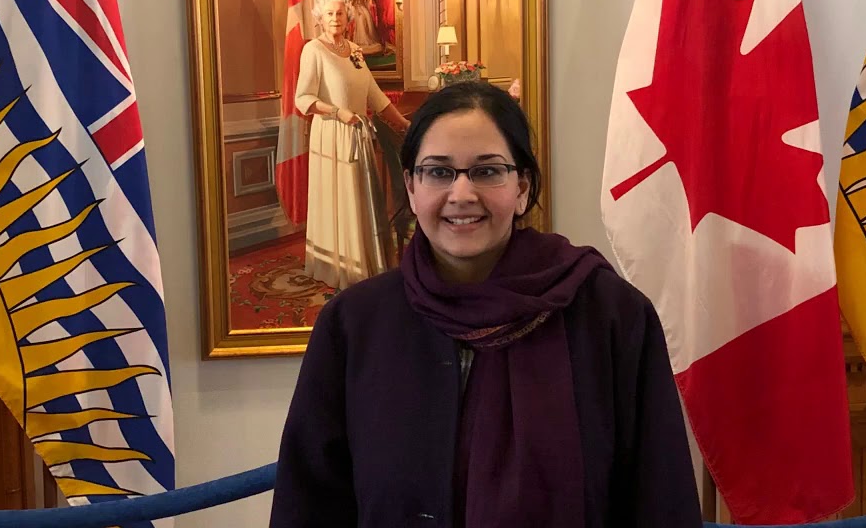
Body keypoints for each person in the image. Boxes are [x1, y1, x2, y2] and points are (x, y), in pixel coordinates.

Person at [270, 80, 702, 528]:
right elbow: (310, 504)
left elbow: (659, 498)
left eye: (487, 171)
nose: (461, 195)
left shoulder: (611, 316)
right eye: (438, 171)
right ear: (411, 188)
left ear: (522, 187)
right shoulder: (354, 325)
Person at [295, 0, 410, 290]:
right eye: (329, 13)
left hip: (359, 136)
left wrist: (403, 124)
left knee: (361, 197)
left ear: (349, 17)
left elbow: (373, 94)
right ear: (320, 17)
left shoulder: (355, 51)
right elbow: (303, 98)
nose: (335, 18)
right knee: (340, 198)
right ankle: (340, 265)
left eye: (340, 13)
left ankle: (367, 262)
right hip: (332, 136)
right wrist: (337, 112)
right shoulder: (313, 50)